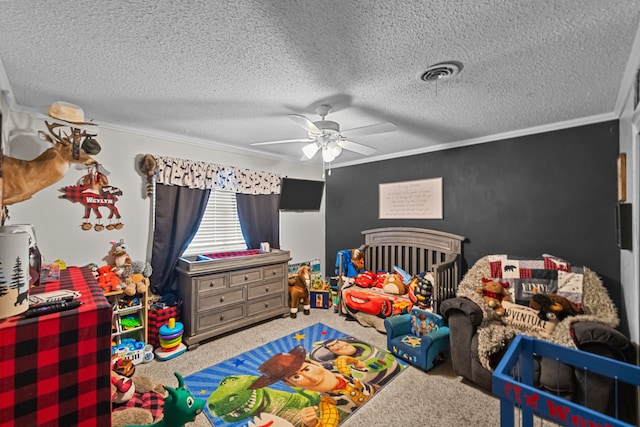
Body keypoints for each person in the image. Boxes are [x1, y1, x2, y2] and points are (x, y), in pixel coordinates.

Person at [248, 345, 379, 426]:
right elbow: (328, 423)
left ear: (315, 364)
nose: (311, 378)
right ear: (291, 385)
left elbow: (342, 360)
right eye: (296, 377)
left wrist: (357, 363)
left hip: (375, 388)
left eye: (307, 369)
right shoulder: (328, 402)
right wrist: (312, 423)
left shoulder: (341, 373)